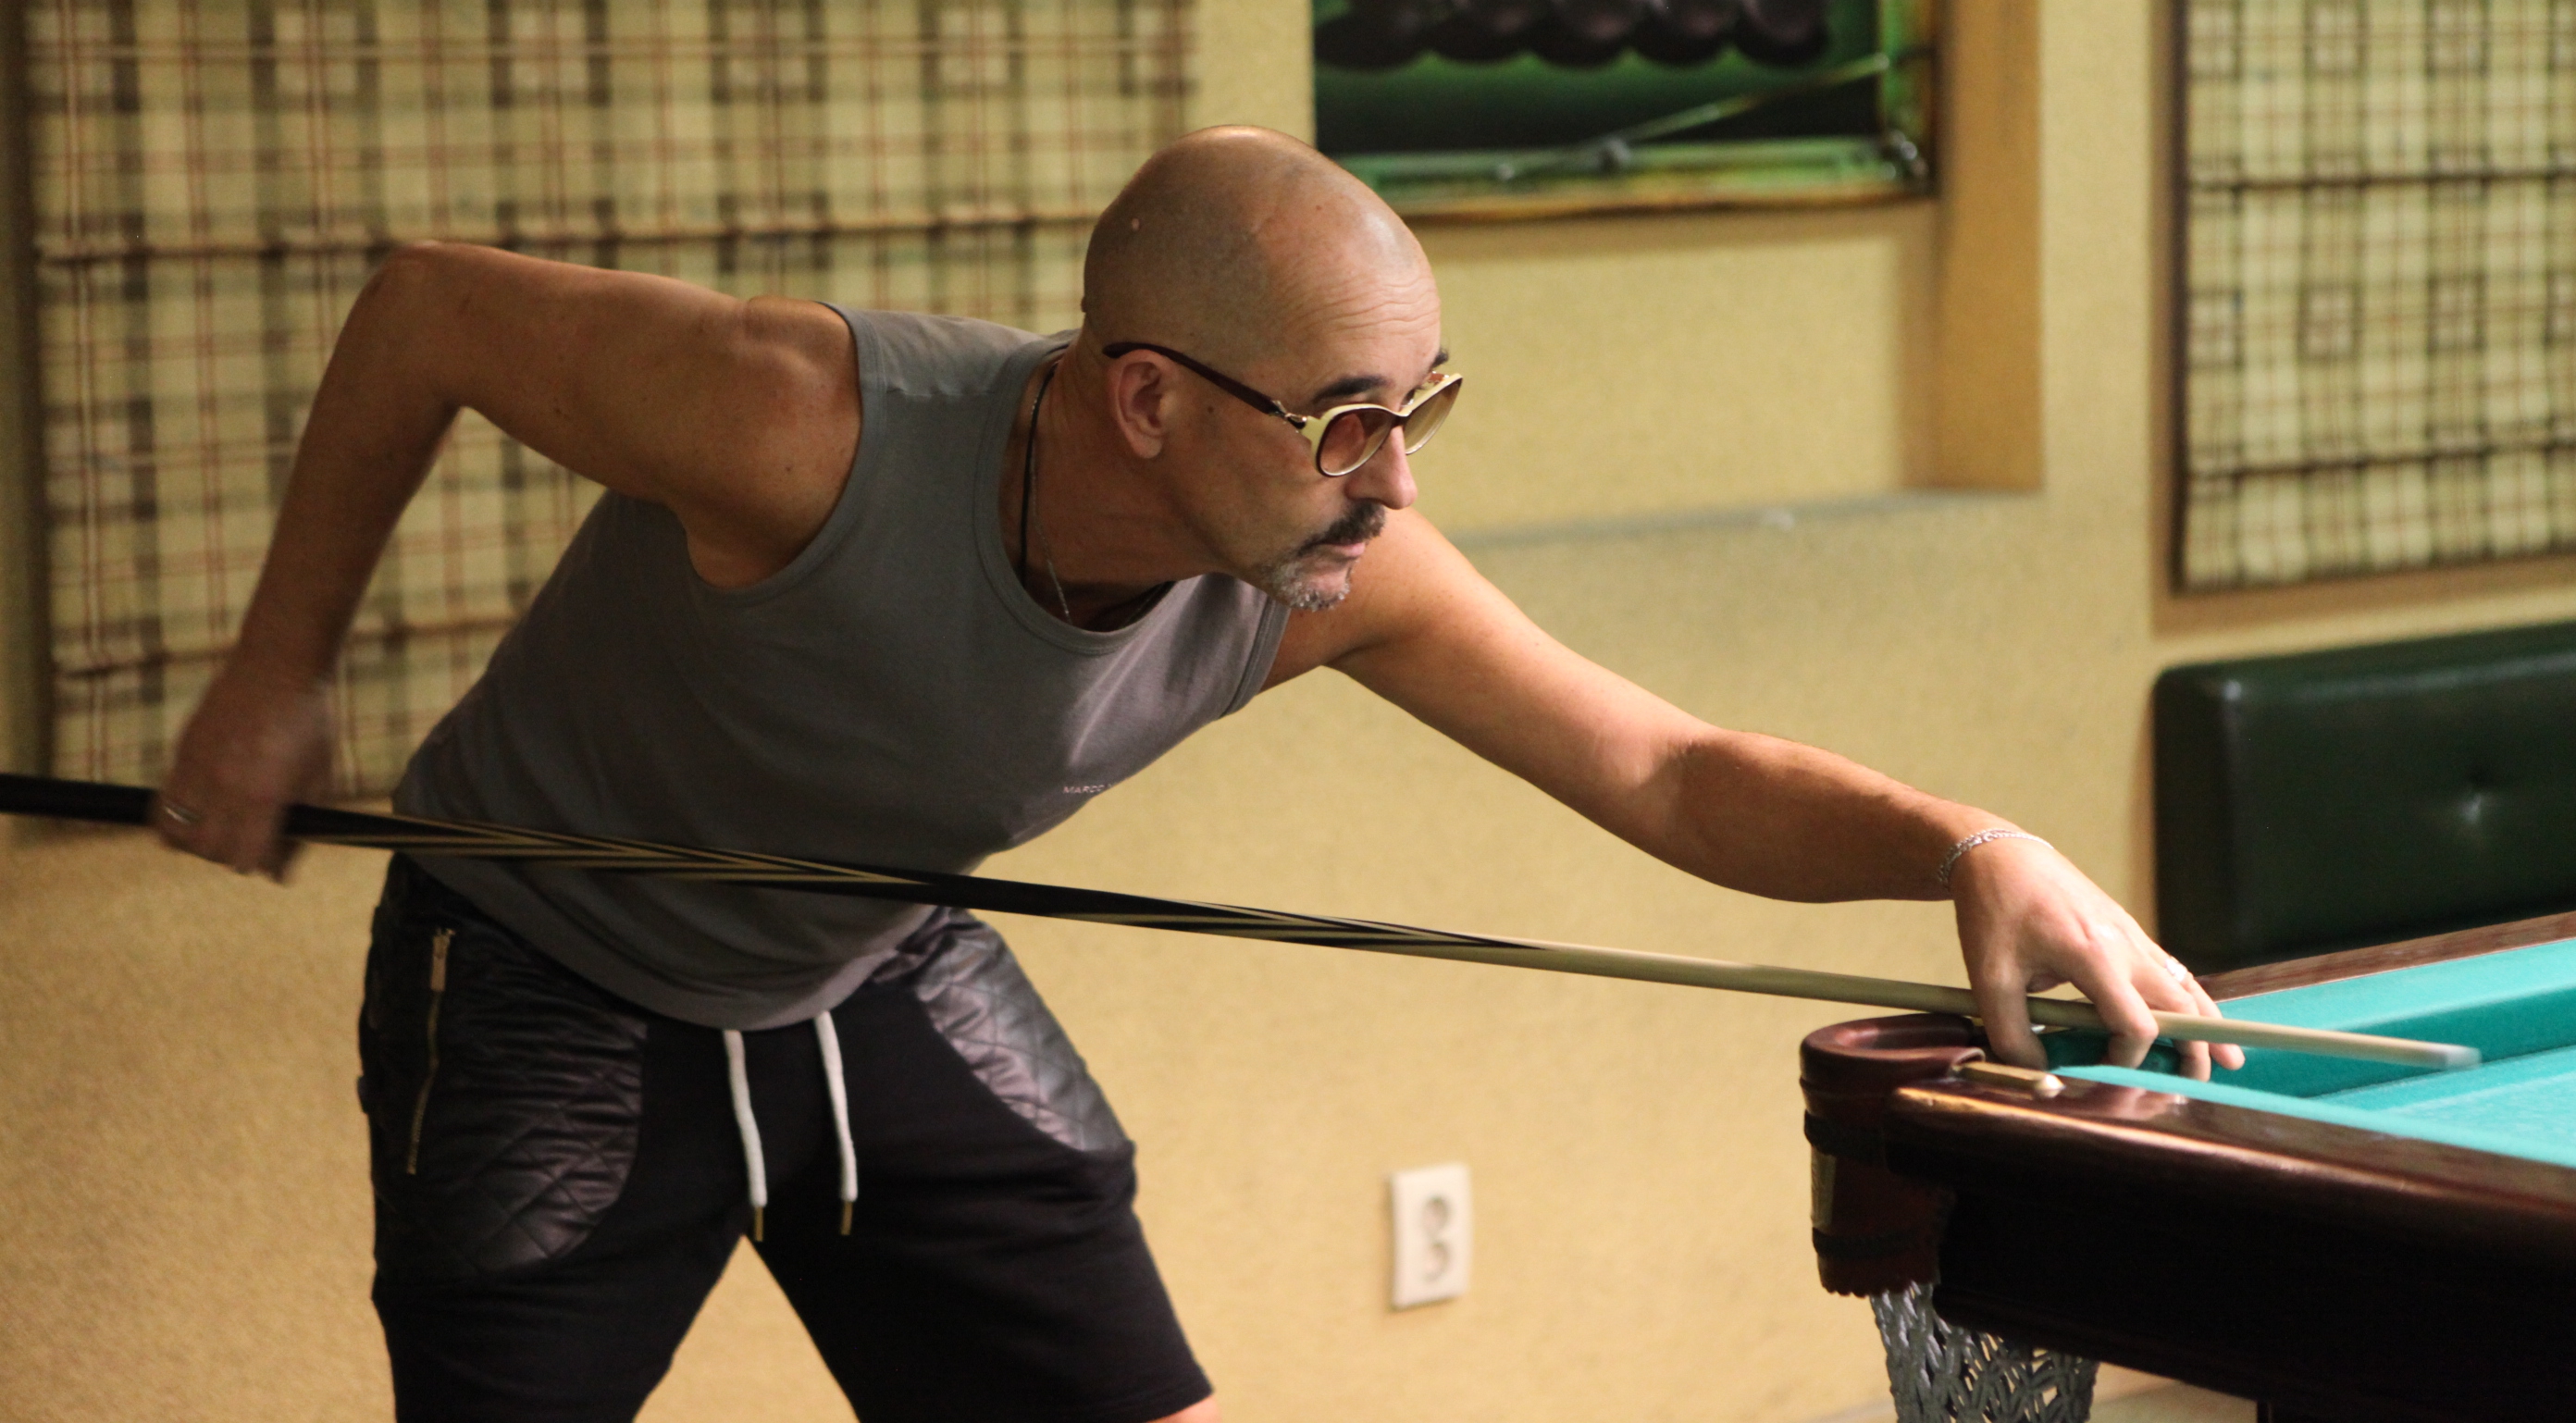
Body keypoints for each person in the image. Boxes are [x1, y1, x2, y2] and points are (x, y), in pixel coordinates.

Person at [155, 127, 2231, 1423]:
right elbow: (425, 313)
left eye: (1416, 407)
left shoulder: (1330, 573)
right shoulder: (801, 426)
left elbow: (1672, 773)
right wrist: (271, 677)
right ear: (1146, 399)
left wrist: (1967, 842)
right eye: (1343, 420)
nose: (1393, 481)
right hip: (543, 961)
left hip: (872, 952)